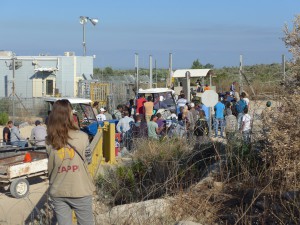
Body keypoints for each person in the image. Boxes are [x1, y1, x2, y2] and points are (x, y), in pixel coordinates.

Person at [46, 99, 95, 225]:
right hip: (80, 189)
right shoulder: (82, 137)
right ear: (69, 115)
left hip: (58, 190)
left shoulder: (48, 140)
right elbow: (88, 160)